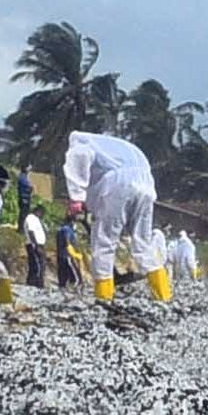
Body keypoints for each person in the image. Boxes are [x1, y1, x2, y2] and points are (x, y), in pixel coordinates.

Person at [61, 126, 162, 303]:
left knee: (104, 241)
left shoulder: (80, 141)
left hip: (119, 184)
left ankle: (104, 296)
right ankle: (162, 295)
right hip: (146, 184)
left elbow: (79, 156)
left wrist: (76, 196)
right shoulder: (116, 147)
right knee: (143, 242)